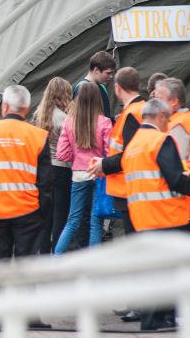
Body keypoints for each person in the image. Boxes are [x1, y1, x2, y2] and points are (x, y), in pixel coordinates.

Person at [120, 98, 190, 330]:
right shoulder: (161, 140)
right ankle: (161, 318)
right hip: (167, 215)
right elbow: (174, 179)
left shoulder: (133, 145)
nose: (169, 124)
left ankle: (151, 318)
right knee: (170, 270)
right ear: (161, 116)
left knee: (151, 271)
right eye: (168, 119)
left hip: (142, 217)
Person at [0, 85, 52, 262]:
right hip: (28, 211)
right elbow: (45, 182)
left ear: (4, 106)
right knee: (25, 269)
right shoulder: (38, 136)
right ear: (26, 108)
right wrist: (43, 215)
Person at [53, 82, 112, 254]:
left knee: (73, 221)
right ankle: (93, 264)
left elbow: (62, 154)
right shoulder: (105, 122)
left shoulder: (69, 122)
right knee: (95, 221)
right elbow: (110, 153)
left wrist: (77, 158)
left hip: (78, 174)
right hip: (99, 173)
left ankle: (56, 258)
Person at [90, 66, 146, 235]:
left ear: (118, 88)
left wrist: (104, 165)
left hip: (129, 189)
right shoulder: (143, 109)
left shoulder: (130, 115)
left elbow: (130, 154)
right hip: (136, 188)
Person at [32, 77, 72, 253]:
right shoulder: (63, 118)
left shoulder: (38, 114)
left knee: (44, 217)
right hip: (61, 168)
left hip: (42, 169)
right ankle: (57, 253)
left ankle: (43, 253)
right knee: (60, 216)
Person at [153, 78, 190, 164]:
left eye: (159, 99)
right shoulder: (177, 120)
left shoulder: (179, 125)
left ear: (174, 101)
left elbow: (176, 162)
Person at [73, 51, 115, 118]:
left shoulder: (102, 87)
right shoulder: (82, 88)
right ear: (96, 70)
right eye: (108, 73)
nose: (111, 76)